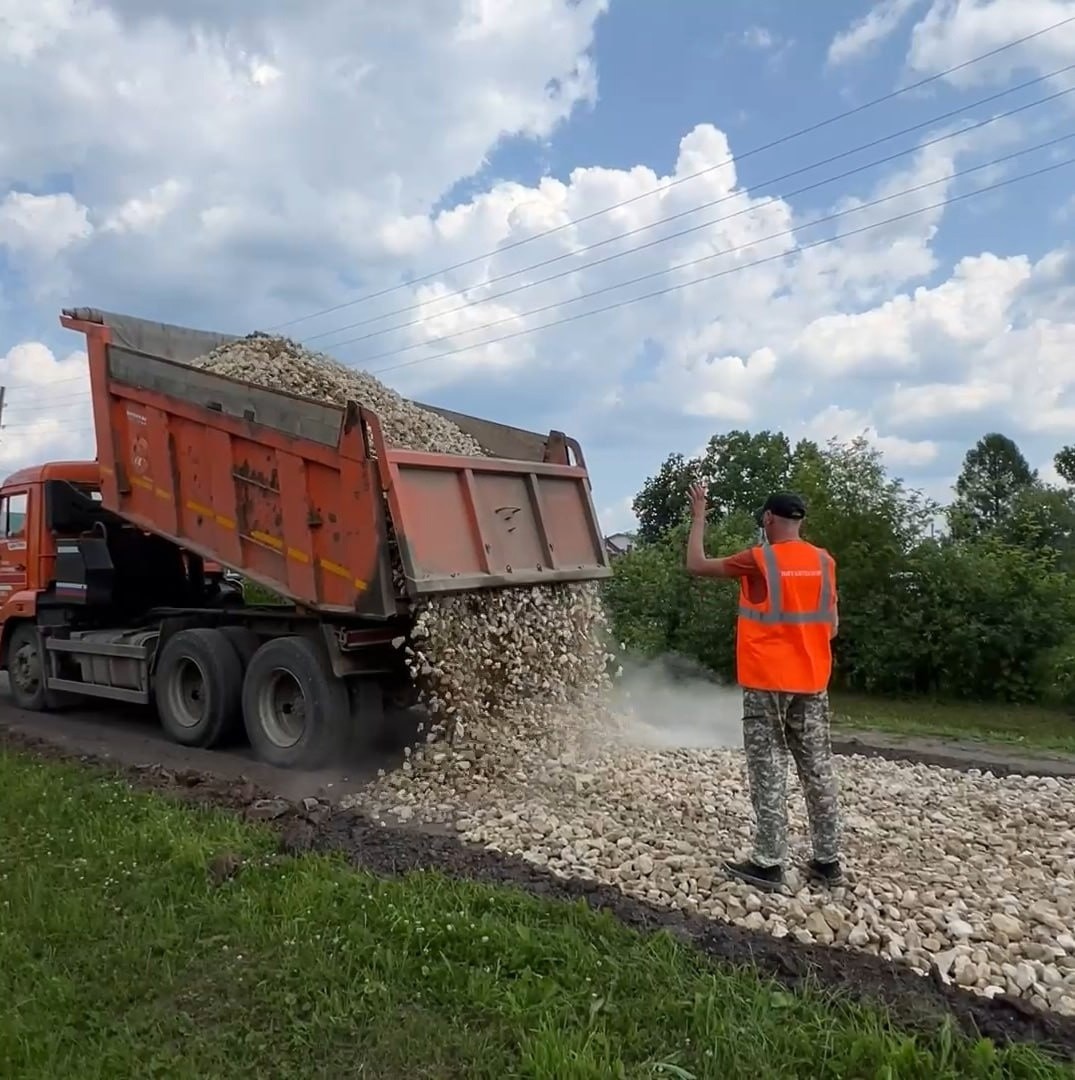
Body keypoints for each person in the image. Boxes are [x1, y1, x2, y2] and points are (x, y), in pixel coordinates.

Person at [685, 483, 843, 892]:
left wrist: (699, 514)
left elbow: (697, 565)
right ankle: (827, 862)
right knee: (817, 768)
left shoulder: (759, 559)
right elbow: (832, 626)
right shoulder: (824, 562)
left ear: (768, 519)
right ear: (800, 521)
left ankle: (769, 863)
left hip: (767, 681)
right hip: (812, 679)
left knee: (769, 766)